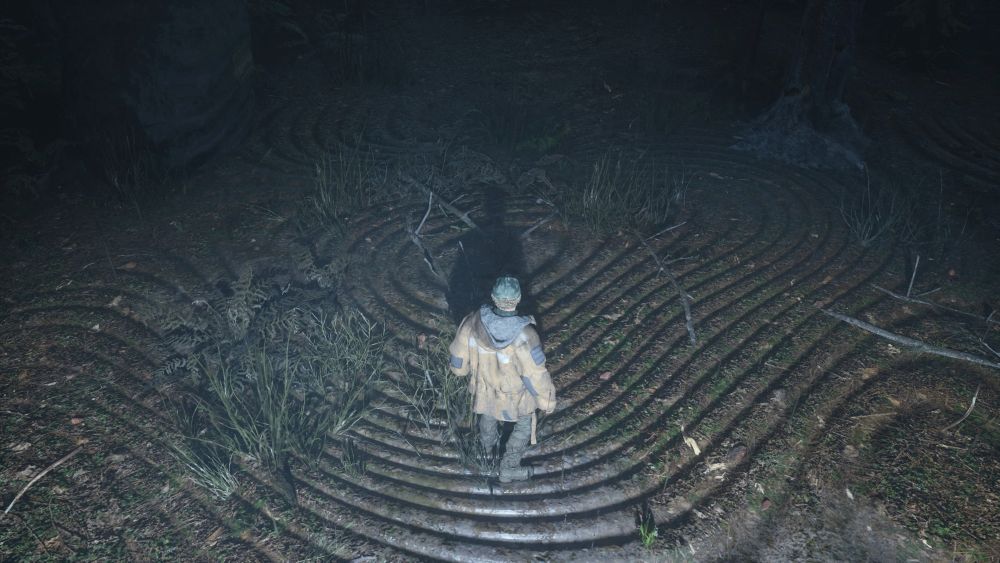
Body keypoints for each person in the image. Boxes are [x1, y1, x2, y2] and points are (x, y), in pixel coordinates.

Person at [448, 276, 556, 483]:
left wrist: (461, 370)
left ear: (493, 297)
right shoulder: (526, 335)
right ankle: (509, 467)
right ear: (518, 299)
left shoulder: (472, 322)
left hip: (485, 389)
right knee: (524, 426)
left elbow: (458, 363)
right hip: (517, 397)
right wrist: (547, 401)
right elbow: (535, 375)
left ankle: (485, 453)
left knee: (488, 415)